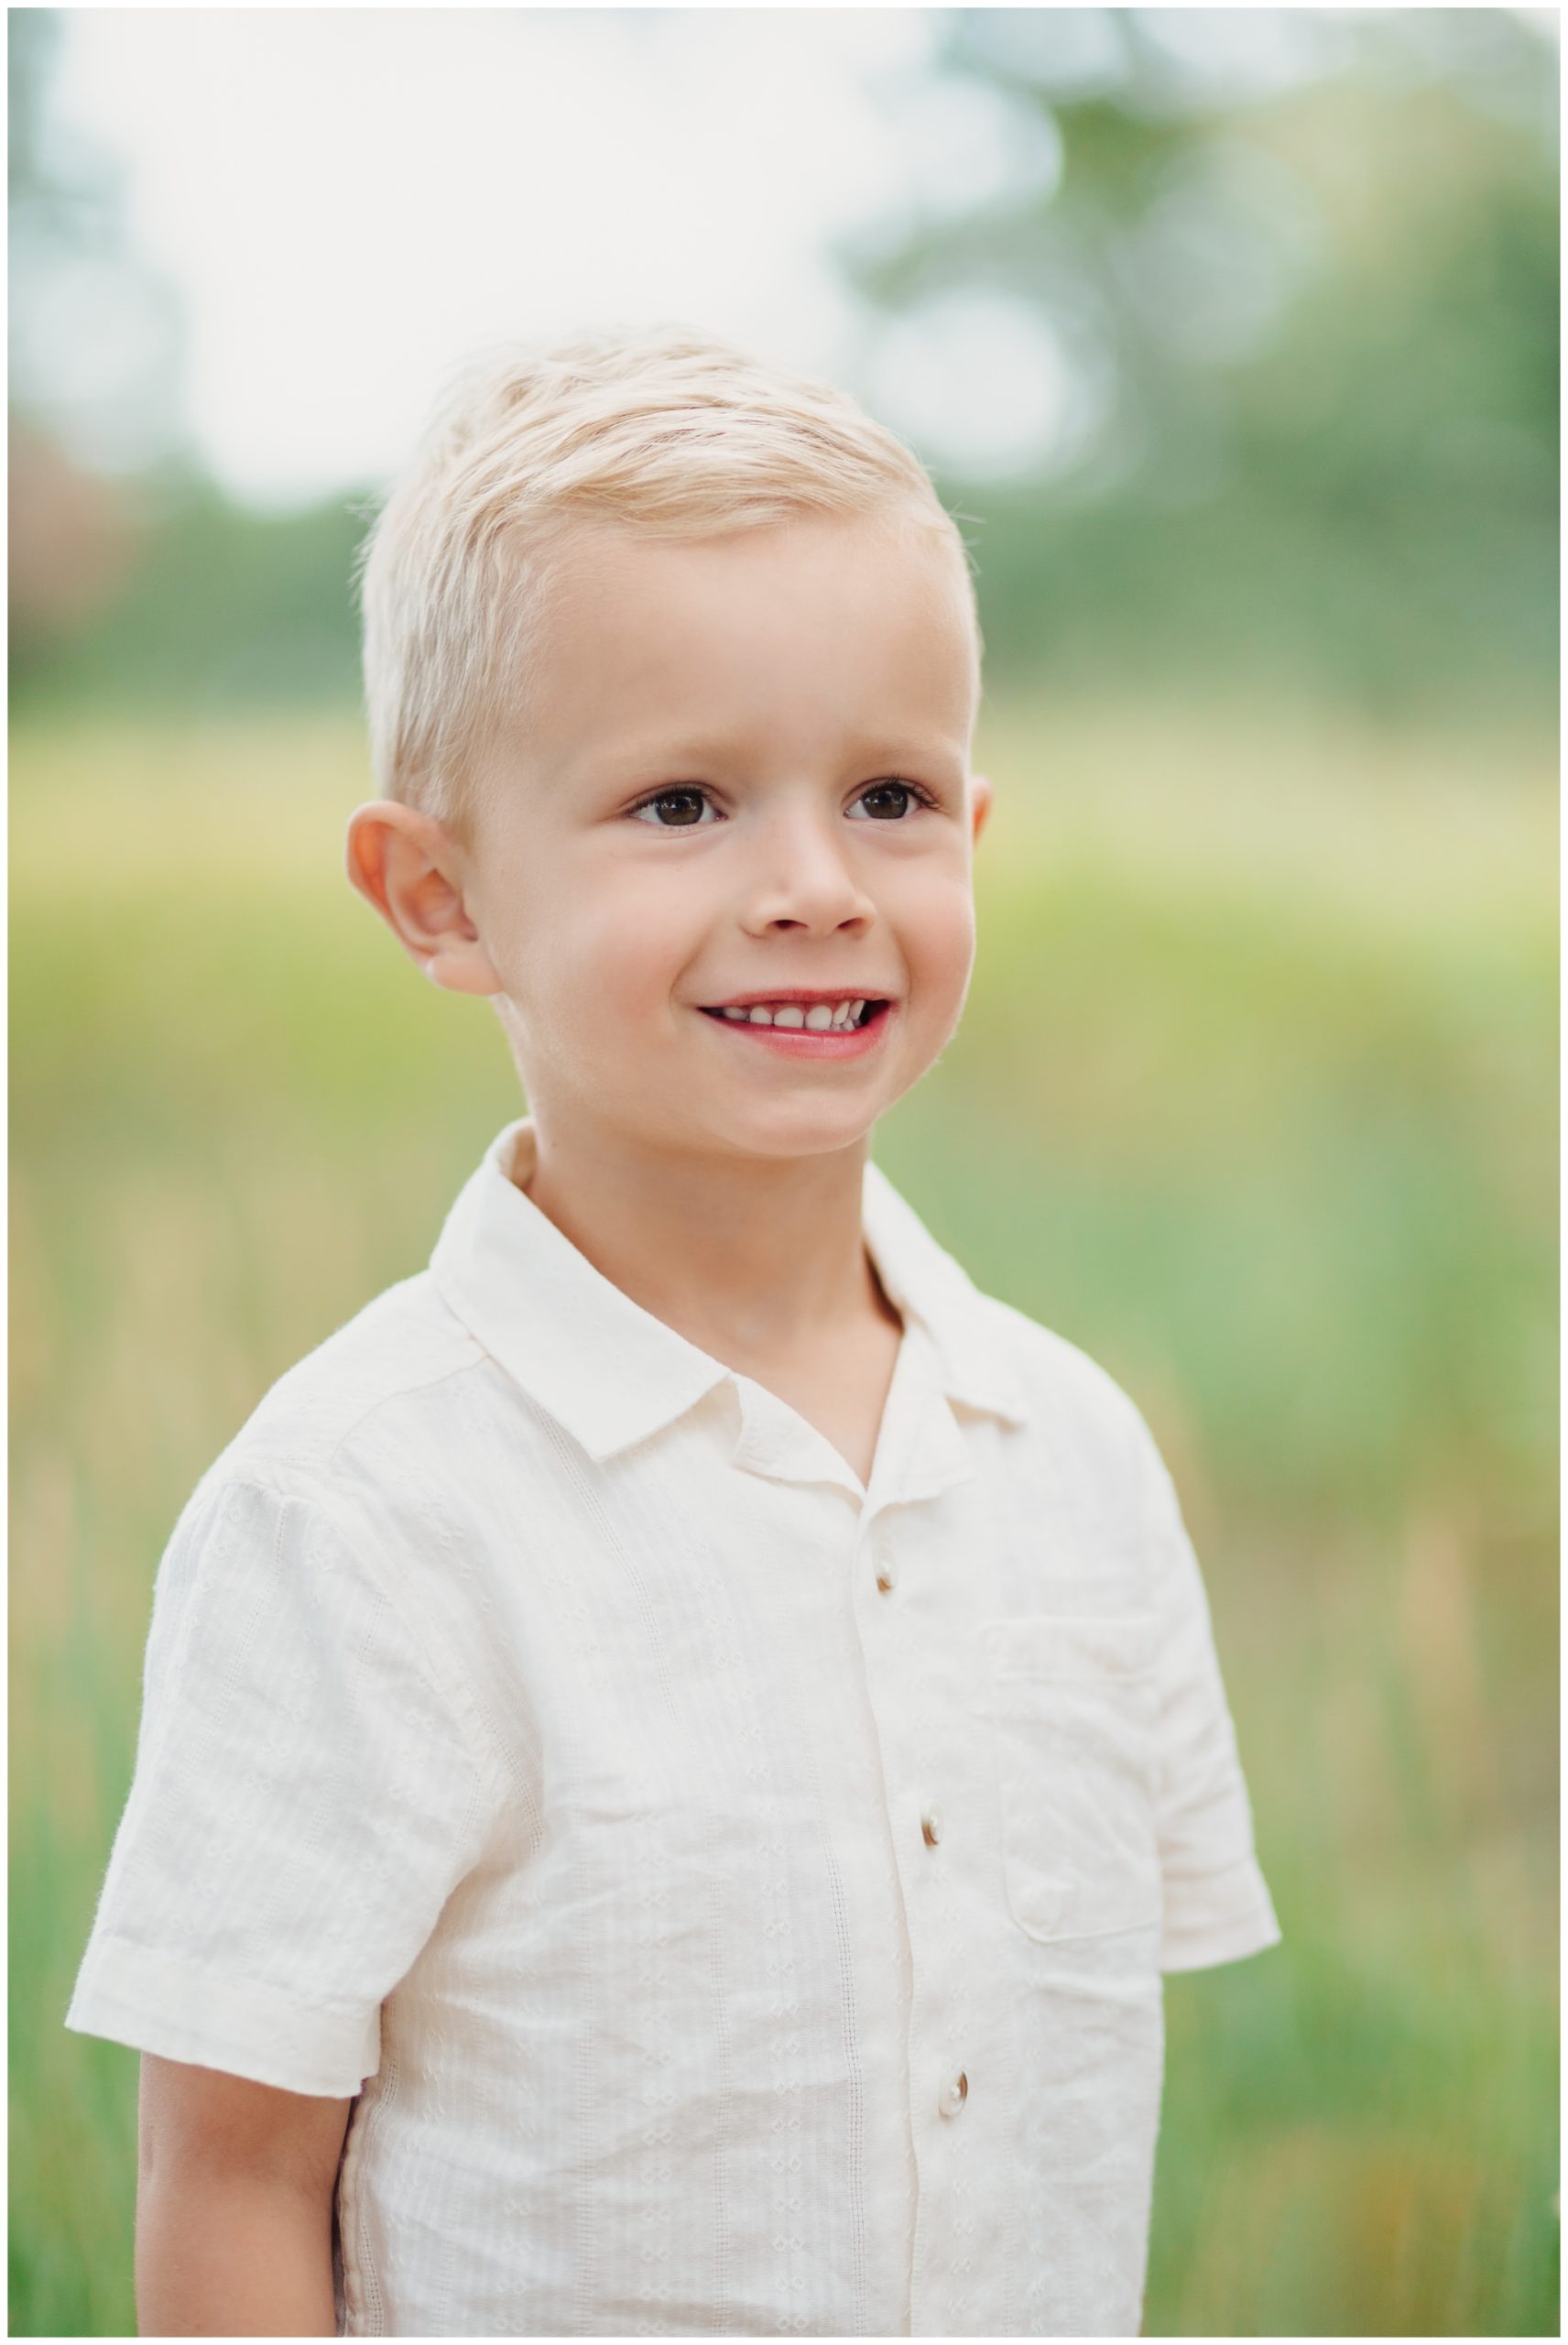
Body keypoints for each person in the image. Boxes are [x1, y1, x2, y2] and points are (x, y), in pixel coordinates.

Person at [66, 324, 1282, 2339]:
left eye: (886, 792)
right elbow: (230, 2170)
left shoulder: (1065, 1453)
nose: (810, 884)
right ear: (441, 897)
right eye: (682, 801)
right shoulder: (362, 1514)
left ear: (971, 837)